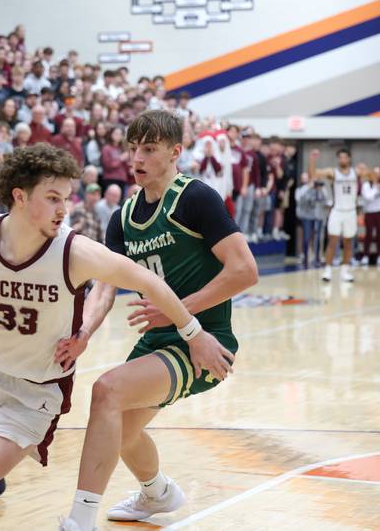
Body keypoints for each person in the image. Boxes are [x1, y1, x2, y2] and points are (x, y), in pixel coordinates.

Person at [0, 140, 236, 529]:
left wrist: (193, 332)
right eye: (53, 198)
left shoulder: (75, 251)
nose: (63, 209)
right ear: (20, 196)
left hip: (31, 394)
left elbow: (149, 282)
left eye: (67, 199)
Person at [57, 110, 258, 530]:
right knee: (122, 432)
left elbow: (244, 270)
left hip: (204, 339)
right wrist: (84, 332)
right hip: (158, 340)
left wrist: (177, 309)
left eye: (149, 149)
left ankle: (80, 519)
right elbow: (107, 287)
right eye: (133, 149)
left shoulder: (196, 198)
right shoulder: (123, 217)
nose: (137, 158)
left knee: (106, 392)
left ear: (175, 152)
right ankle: (158, 493)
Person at [309, 148, 359, 282]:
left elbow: (374, 176)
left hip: (351, 211)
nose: (342, 160)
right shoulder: (333, 172)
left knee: (348, 243)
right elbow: (314, 174)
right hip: (337, 211)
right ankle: (327, 270)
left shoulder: (356, 172)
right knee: (332, 242)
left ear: (349, 159)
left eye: (345, 157)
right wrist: (313, 159)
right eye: (340, 157)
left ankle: (345, 271)